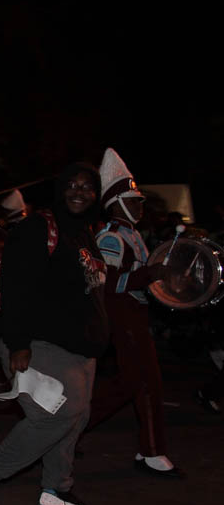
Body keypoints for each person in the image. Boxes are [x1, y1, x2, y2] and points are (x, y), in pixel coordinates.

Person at [0, 162, 109, 505]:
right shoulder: (39, 227)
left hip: (79, 349)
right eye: (71, 184)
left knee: (76, 417)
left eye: (87, 186)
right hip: (41, 342)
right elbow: (16, 287)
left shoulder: (85, 233)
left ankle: (56, 490)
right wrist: (19, 343)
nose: (78, 191)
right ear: (59, 189)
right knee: (57, 414)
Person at [90, 148, 183, 478]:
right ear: (115, 203)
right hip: (122, 317)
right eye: (134, 200)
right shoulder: (112, 238)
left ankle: (148, 450)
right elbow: (109, 285)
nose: (140, 206)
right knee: (141, 382)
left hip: (136, 316)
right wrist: (149, 276)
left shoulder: (132, 235)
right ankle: (151, 451)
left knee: (136, 384)